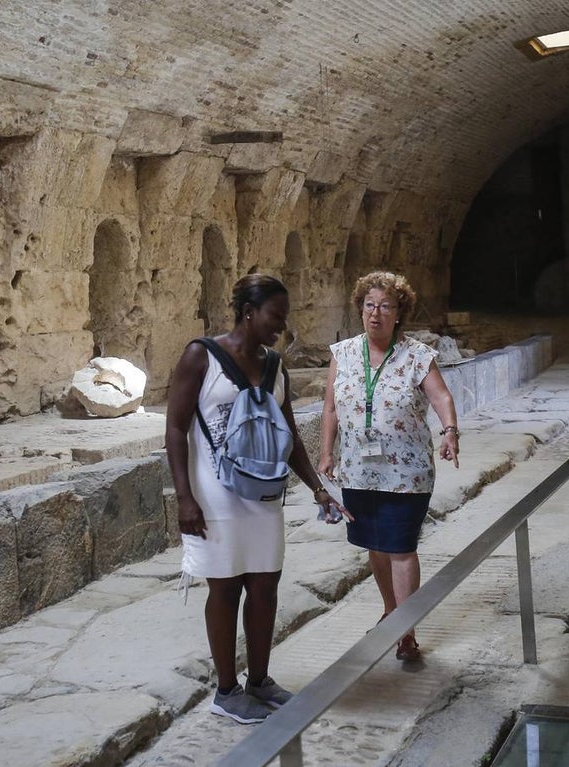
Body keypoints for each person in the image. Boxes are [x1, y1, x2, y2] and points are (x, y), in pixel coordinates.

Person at [165, 274, 344, 724]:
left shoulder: (274, 365)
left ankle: (259, 681)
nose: (281, 327)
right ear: (249, 312)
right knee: (224, 588)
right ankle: (226, 691)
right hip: (215, 496)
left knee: (264, 586)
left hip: (264, 491)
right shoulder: (200, 356)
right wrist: (184, 498)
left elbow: (289, 437)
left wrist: (317, 488)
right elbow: (174, 429)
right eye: (275, 316)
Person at [318, 271, 460, 663]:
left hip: (406, 471)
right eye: (369, 306)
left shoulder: (417, 355)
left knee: (400, 547)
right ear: (360, 310)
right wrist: (326, 453)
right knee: (375, 546)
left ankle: (407, 630)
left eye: (385, 306)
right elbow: (329, 407)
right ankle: (391, 610)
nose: (375, 314)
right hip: (358, 470)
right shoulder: (343, 353)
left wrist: (450, 431)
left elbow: (441, 397)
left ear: (399, 313)